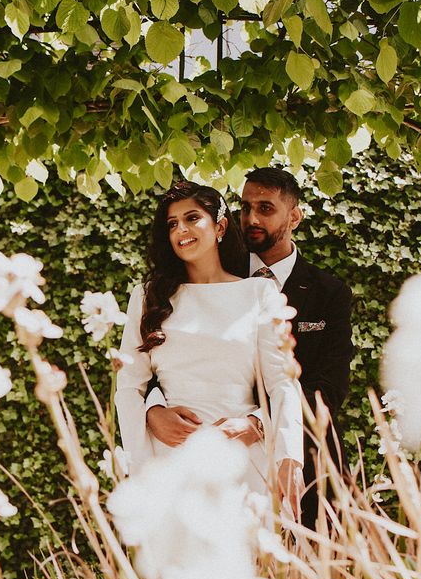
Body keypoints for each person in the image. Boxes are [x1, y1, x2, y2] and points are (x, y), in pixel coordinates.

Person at [147, 168, 353, 529]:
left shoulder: (329, 292)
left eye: (265, 208)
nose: (251, 218)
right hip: (207, 454)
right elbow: (167, 354)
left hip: (305, 456)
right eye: (245, 207)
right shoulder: (209, 274)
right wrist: (153, 408)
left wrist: (260, 422)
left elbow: (329, 386)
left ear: (295, 217)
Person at [115, 181, 304, 509]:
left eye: (192, 218)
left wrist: (288, 457)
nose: (181, 230)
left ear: (219, 226)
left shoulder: (258, 294)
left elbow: (282, 384)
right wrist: (142, 456)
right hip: (169, 461)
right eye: (172, 224)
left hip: (244, 459)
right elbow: (129, 387)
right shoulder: (147, 298)